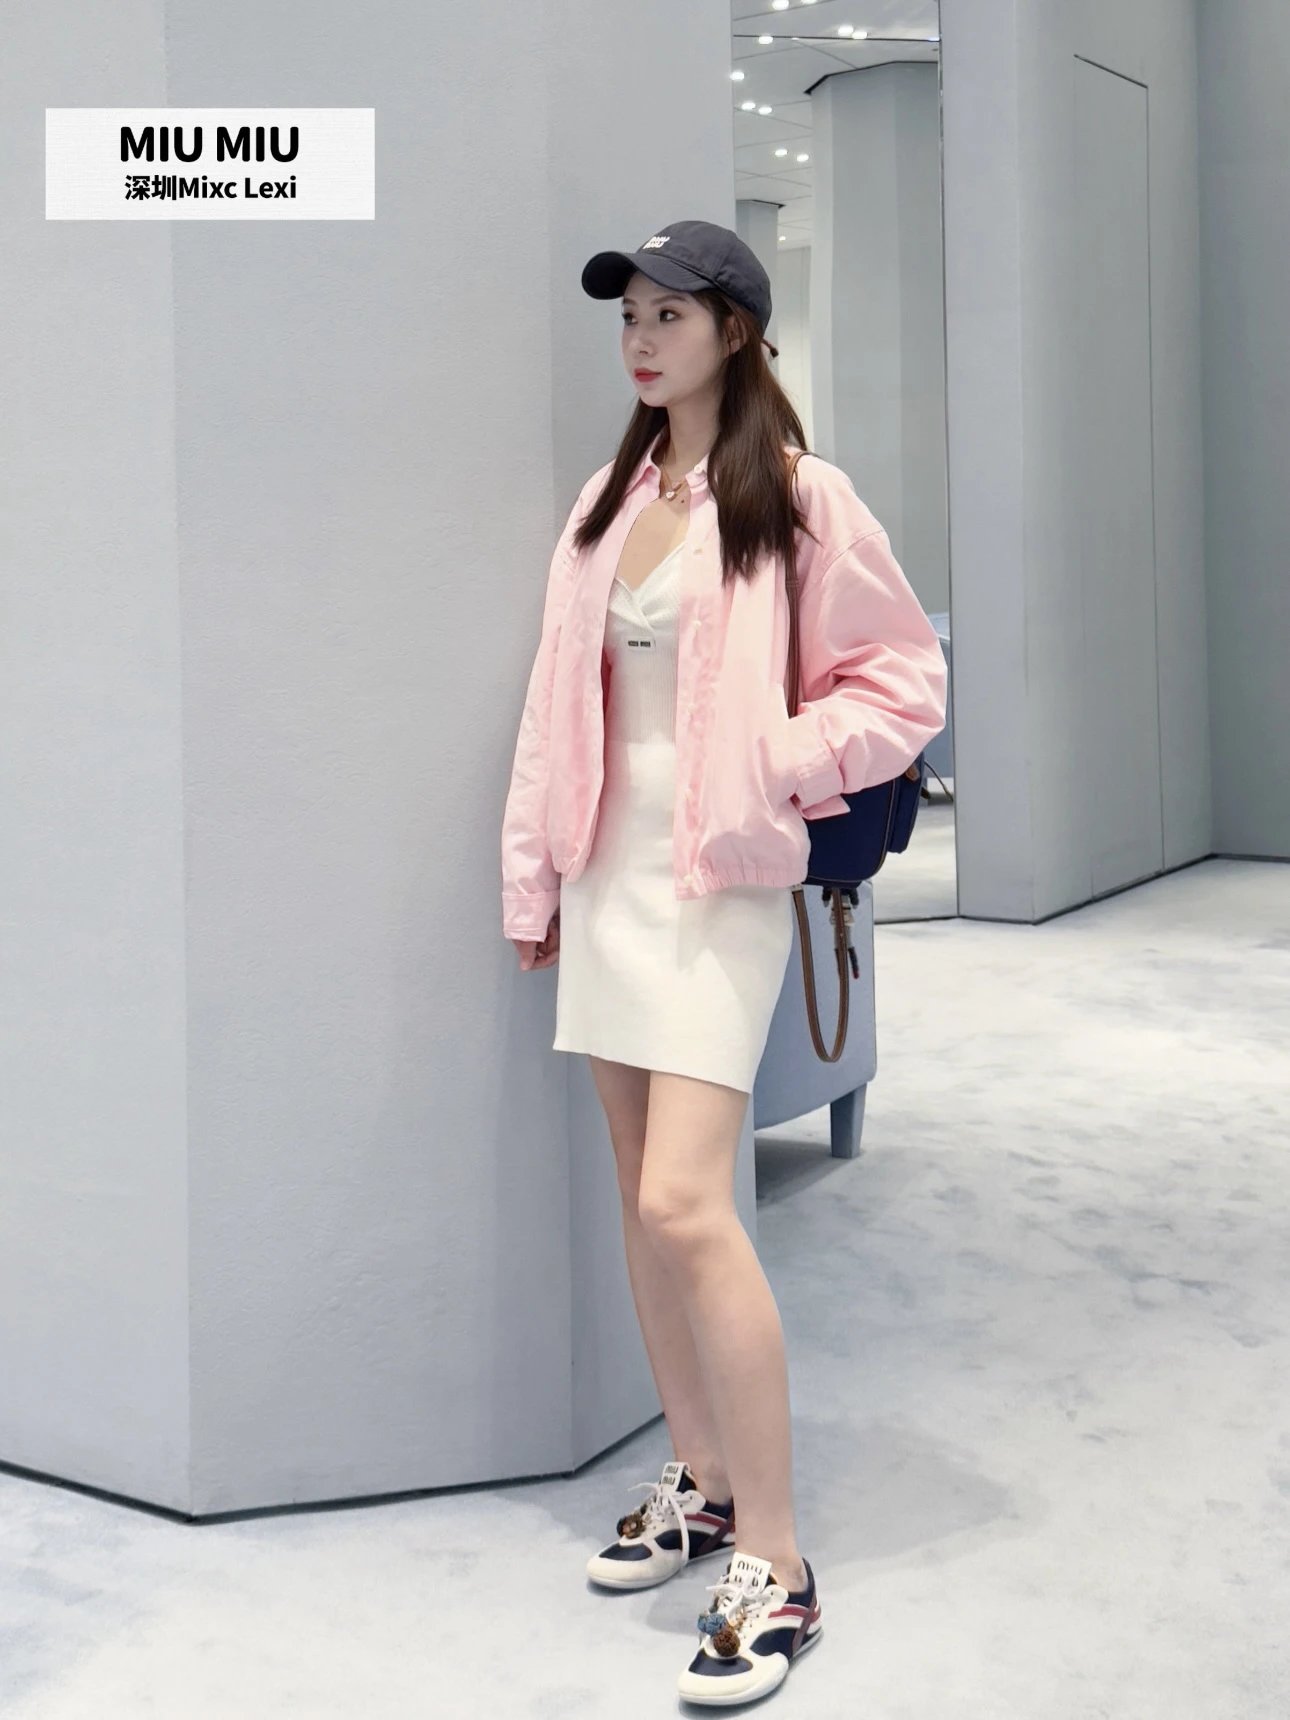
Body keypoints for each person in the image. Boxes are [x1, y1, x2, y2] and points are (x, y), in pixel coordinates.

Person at [500, 220, 947, 1705]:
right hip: (605, 878)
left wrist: (779, 761)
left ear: (736, 331)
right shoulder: (607, 498)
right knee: (640, 1195)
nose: (640, 339)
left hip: (715, 886)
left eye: (669, 315)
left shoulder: (799, 495)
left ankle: (778, 1558)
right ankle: (699, 1480)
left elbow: (904, 682)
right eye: (628, 316)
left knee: (688, 1202)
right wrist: (534, 877)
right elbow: (552, 711)